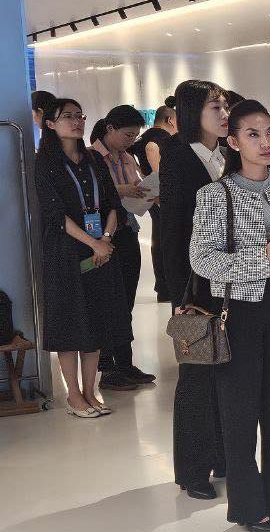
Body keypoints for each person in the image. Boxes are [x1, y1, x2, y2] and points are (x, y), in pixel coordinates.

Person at [190, 100, 270, 532]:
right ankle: (248, 505)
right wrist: (262, 261)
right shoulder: (215, 194)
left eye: (269, 133)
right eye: (252, 134)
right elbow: (202, 259)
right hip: (240, 311)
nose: (265, 142)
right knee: (240, 411)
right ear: (233, 142)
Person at [34, 98, 132, 419]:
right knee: (69, 322)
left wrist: (105, 240)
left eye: (80, 116)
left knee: (97, 321)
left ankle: (91, 391)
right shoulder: (45, 162)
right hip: (65, 251)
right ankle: (73, 395)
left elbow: (113, 204)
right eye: (68, 117)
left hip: (101, 248)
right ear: (50, 124)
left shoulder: (93, 159)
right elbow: (55, 214)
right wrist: (93, 242)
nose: (77, 121)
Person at [160, 79, 229, 500]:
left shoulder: (226, 154)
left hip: (231, 281)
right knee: (196, 377)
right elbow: (171, 232)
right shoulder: (178, 156)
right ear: (192, 112)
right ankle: (192, 469)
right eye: (214, 107)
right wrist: (180, 296)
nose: (224, 114)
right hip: (196, 285)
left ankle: (222, 455)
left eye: (224, 106)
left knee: (226, 371)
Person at [89, 105, 155, 390]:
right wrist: (122, 191)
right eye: (127, 135)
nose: (131, 141)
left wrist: (146, 192)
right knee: (108, 301)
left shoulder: (128, 157)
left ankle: (125, 364)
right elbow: (92, 195)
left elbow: (136, 187)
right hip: (104, 235)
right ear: (110, 129)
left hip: (128, 230)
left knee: (127, 300)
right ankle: (107, 367)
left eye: (134, 136)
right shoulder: (91, 158)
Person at [131, 104, 177, 302]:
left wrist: (143, 177)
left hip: (155, 195)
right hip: (164, 196)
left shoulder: (144, 138)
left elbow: (135, 160)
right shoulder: (161, 139)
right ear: (170, 120)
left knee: (159, 238)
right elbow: (160, 171)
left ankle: (164, 286)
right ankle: (167, 286)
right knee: (166, 240)